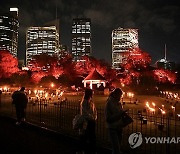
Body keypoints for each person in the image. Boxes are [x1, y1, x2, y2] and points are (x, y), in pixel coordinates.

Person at [105, 88, 126, 154]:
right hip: (113, 127)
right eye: (119, 96)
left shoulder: (119, 103)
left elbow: (120, 112)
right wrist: (119, 115)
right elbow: (108, 118)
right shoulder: (109, 103)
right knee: (116, 148)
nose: (120, 97)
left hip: (119, 127)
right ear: (115, 95)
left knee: (117, 148)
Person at [80, 88, 97, 153]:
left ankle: (91, 149)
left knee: (92, 136)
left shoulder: (91, 102)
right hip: (87, 121)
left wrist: (94, 117)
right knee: (87, 136)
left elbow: (94, 110)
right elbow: (85, 112)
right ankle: (86, 149)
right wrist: (91, 117)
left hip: (92, 121)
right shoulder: (84, 102)